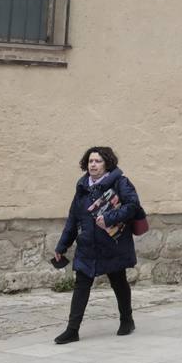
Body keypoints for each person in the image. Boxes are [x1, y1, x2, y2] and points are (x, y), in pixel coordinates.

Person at [53, 146, 141, 344]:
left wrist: (109, 218)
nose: (93, 164)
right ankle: (72, 330)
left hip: (113, 244)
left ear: (107, 163)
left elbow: (132, 206)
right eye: (90, 161)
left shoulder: (120, 182)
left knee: (118, 281)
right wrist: (62, 246)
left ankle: (127, 319)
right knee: (81, 285)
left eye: (98, 161)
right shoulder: (83, 186)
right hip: (87, 246)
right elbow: (73, 218)